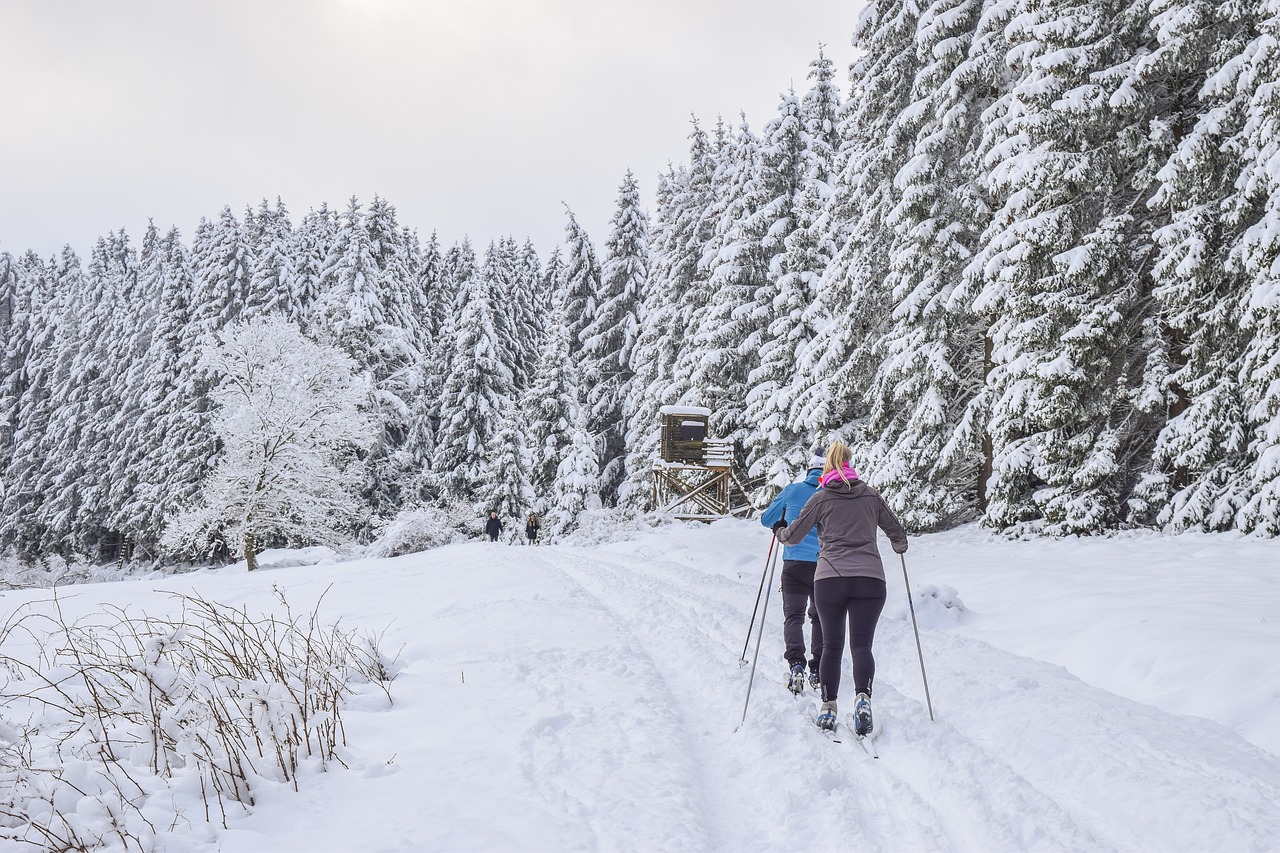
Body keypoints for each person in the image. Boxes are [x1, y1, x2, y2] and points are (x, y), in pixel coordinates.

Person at [774, 440, 907, 736]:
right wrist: (899, 545)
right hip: (871, 579)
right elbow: (897, 532)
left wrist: (780, 533)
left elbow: (794, 535)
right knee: (862, 646)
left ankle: (828, 708)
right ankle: (862, 698)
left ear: (828, 467)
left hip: (830, 578)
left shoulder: (821, 498)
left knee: (833, 645)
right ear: (850, 463)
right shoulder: (871, 496)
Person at [759, 448, 826, 694]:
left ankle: (796, 663)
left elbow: (767, 519)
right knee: (819, 617)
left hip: (794, 563)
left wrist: (782, 523)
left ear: (808, 470)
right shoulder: (831, 492)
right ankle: (818, 668)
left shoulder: (793, 490)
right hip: (824, 565)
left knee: (794, 617)